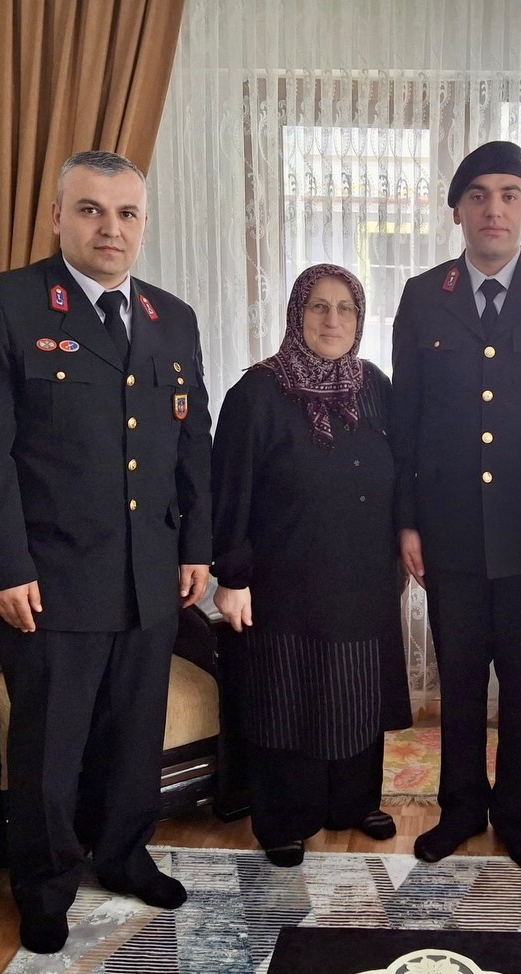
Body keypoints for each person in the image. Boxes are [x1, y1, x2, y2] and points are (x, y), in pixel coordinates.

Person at [0, 150, 213, 953]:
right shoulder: (4, 304)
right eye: (91, 209)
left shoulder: (172, 317)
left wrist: (195, 546)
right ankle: (45, 886)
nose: (111, 228)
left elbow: (190, 443)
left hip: (148, 575)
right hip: (49, 581)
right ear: (56, 216)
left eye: (127, 213)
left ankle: (125, 855)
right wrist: (3, 566)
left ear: (143, 224)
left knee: (134, 736)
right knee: (49, 750)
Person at [389, 140, 521, 869]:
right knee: (459, 682)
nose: (494, 209)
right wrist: (407, 521)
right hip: (448, 528)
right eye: (478, 195)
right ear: (457, 211)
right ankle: (458, 808)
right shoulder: (424, 294)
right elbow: (405, 419)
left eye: (509, 194)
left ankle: (514, 812)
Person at [211, 264, 412, 867]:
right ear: (297, 314)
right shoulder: (257, 393)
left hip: (365, 575)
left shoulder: (375, 387)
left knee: (357, 691)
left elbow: (403, 470)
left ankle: (353, 803)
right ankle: (284, 819)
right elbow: (230, 491)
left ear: (360, 318)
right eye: (318, 306)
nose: (332, 319)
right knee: (288, 696)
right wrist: (233, 577)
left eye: (346, 308)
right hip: (285, 581)